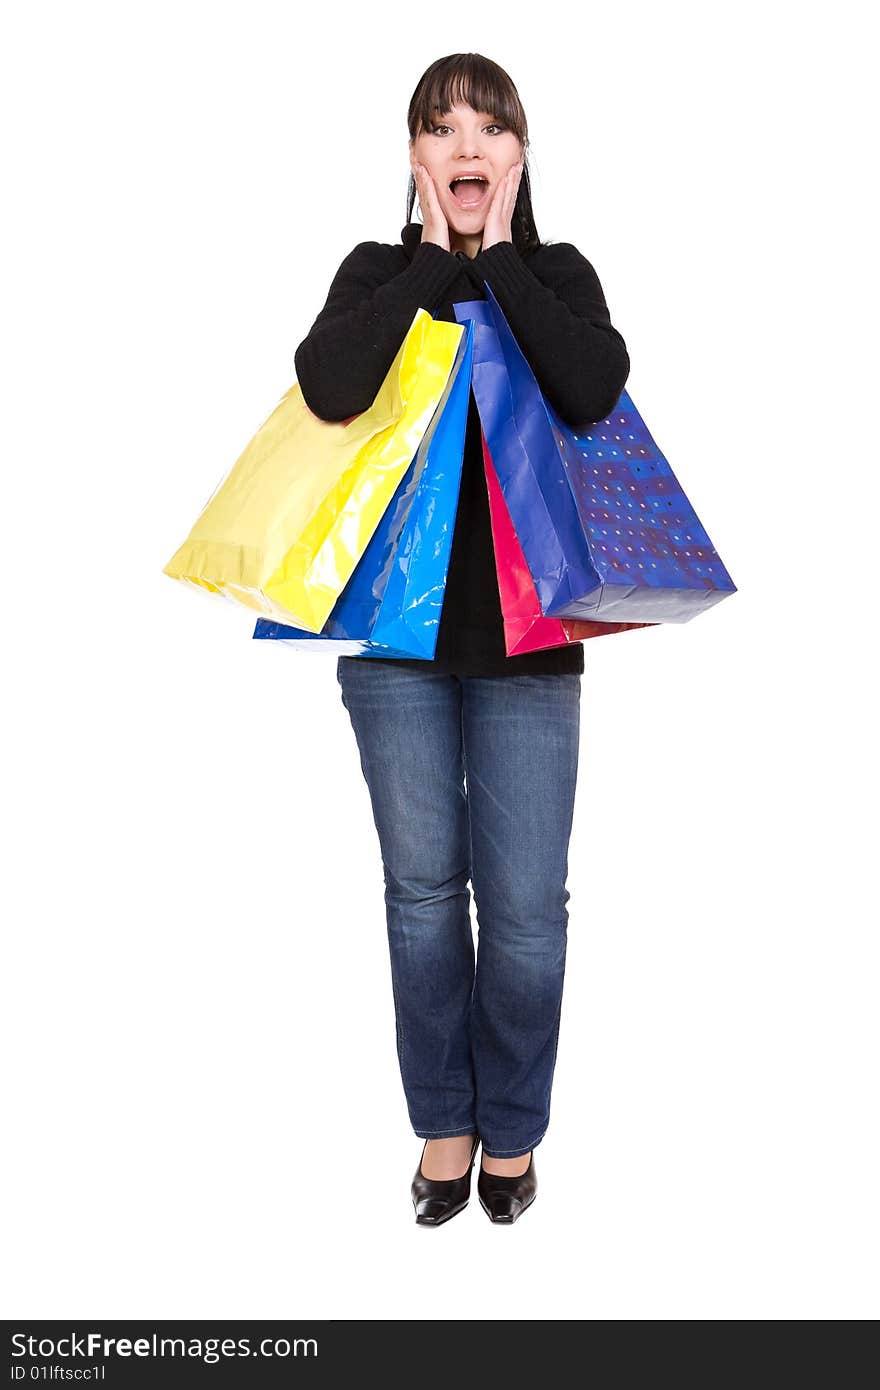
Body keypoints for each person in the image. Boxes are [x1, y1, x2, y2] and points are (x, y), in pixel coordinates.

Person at [294, 53, 630, 1225]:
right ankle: (444, 1120)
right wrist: (437, 261)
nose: (467, 145)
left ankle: (516, 1130)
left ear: (518, 154)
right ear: (416, 159)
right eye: (443, 129)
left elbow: (591, 385)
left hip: (532, 647)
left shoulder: (558, 274)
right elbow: (330, 385)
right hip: (396, 647)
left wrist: (502, 265)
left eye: (490, 127)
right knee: (422, 892)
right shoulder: (382, 272)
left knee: (529, 904)